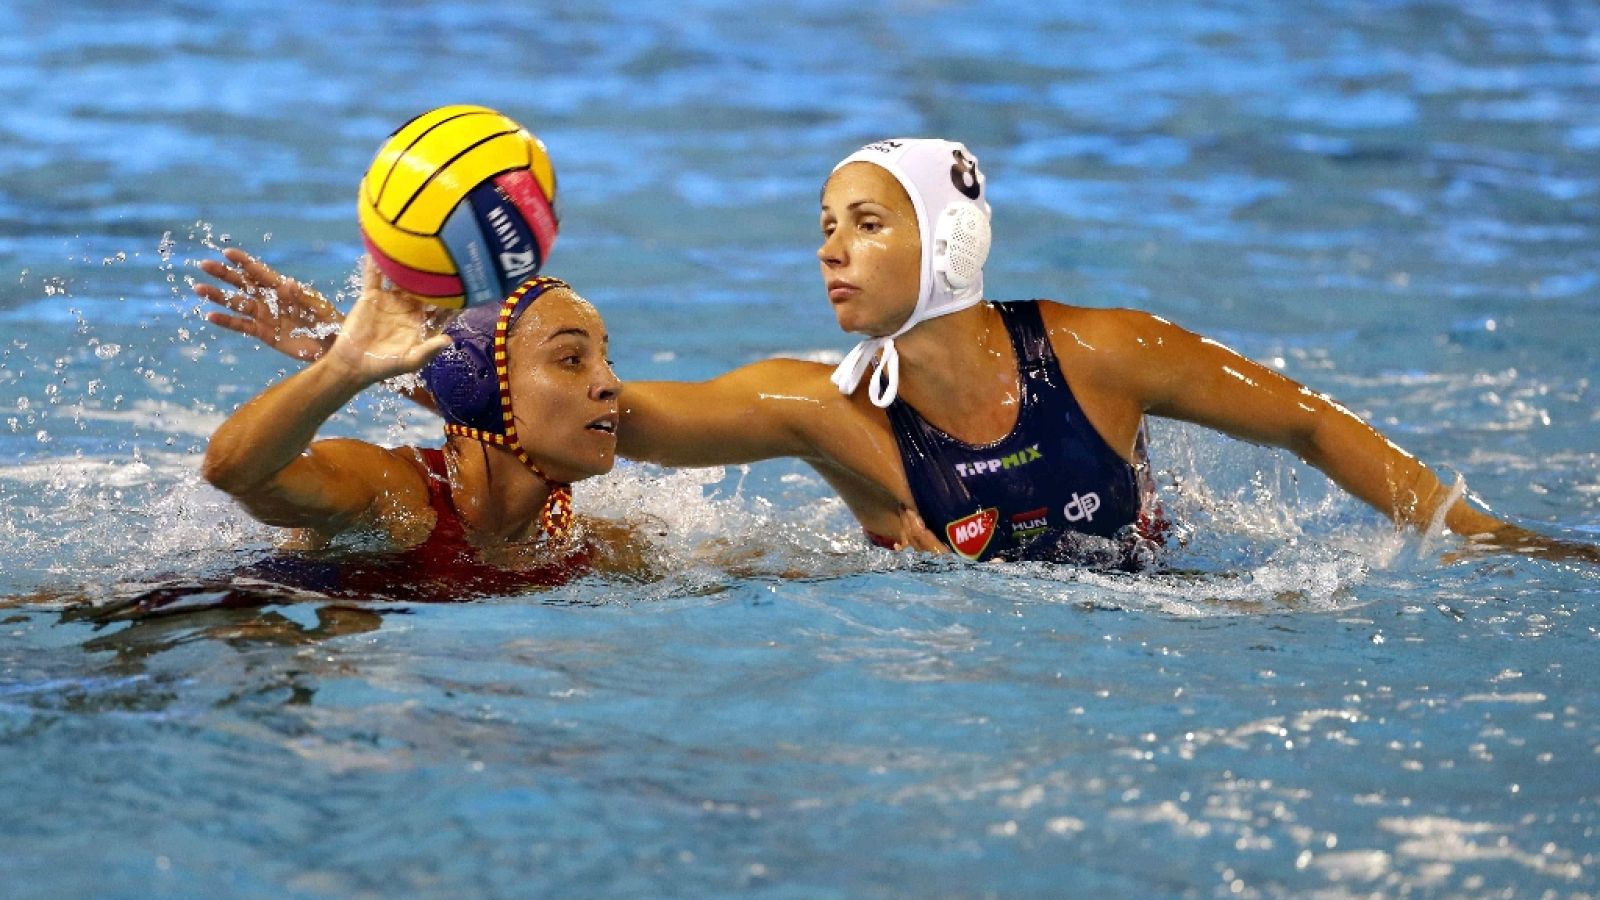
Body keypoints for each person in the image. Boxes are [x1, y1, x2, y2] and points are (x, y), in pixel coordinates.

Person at [197, 138, 1596, 566]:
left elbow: (1297, 423)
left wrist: (1473, 527)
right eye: (822, 226)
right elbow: (600, 418)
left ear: (946, 241)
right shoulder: (819, 408)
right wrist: (353, 347)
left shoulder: (1101, 354)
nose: (829, 251)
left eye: (864, 225)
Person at [200, 257, 637, 600]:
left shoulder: (579, 544)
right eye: (572, 360)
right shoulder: (394, 496)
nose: (611, 384)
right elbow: (235, 470)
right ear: (482, 387)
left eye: (606, 359)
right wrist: (343, 370)